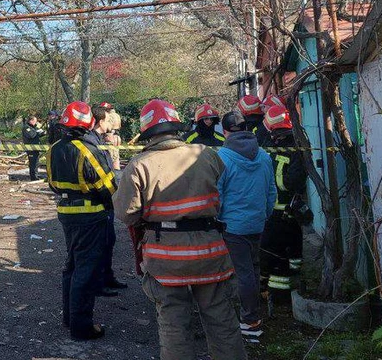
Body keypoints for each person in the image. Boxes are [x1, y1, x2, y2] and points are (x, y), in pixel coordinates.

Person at [114, 99, 246, 360]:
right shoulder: (207, 154)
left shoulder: (139, 165)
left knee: (174, 325)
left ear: (146, 131)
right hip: (210, 251)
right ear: (176, 126)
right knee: (222, 321)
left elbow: (126, 215)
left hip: (166, 259)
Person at [47, 101, 117, 340]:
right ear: (88, 124)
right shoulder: (89, 150)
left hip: (66, 214)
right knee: (85, 271)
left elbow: (53, 185)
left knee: (72, 266)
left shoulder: (54, 148)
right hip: (91, 215)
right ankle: (82, 327)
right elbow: (107, 187)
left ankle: (69, 318)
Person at [217, 112, 276, 341]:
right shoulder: (263, 155)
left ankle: (250, 321)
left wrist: (218, 219)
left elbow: (218, 194)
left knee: (244, 273)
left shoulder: (222, 156)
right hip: (257, 222)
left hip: (233, 225)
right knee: (253, 268)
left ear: (225, 132)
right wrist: (264, 215)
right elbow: (271, 191)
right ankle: (253, 315)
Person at [260, 105, 308, 306]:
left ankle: (277, 297)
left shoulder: (269, 149)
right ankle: (293, 279)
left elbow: (286, 181)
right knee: (293, 247)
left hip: (275, 212)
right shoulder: (298, 147)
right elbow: (297, 180)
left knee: (274, 253)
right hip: (290, 210)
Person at [89, 104, 127, 296]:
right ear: (100, 121)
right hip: (100, 203)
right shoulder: (92, 142)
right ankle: (99, 283)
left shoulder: (100, 139)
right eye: (106, 119)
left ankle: (107, 277)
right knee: (100, 243)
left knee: (108, 241)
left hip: (106, 201)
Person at [22, 114, 46, 181]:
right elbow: (31, 135)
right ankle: (33, 177)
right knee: (33, 163)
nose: (36, 122)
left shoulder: (33, 128)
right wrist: (37, 131)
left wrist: (42, 132)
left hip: (35, 148)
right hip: (31, 148)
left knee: (36, 163)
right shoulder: (26, 127)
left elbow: (37, 134)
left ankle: (36, 176)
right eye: (35, 121)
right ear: (31, 120)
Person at [100, 102, 122, 170]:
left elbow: (108, 128)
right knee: (116, 158)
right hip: (117, 137)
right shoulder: (117, 115)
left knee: (109, 160)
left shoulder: (108, 116)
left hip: (109, 137)